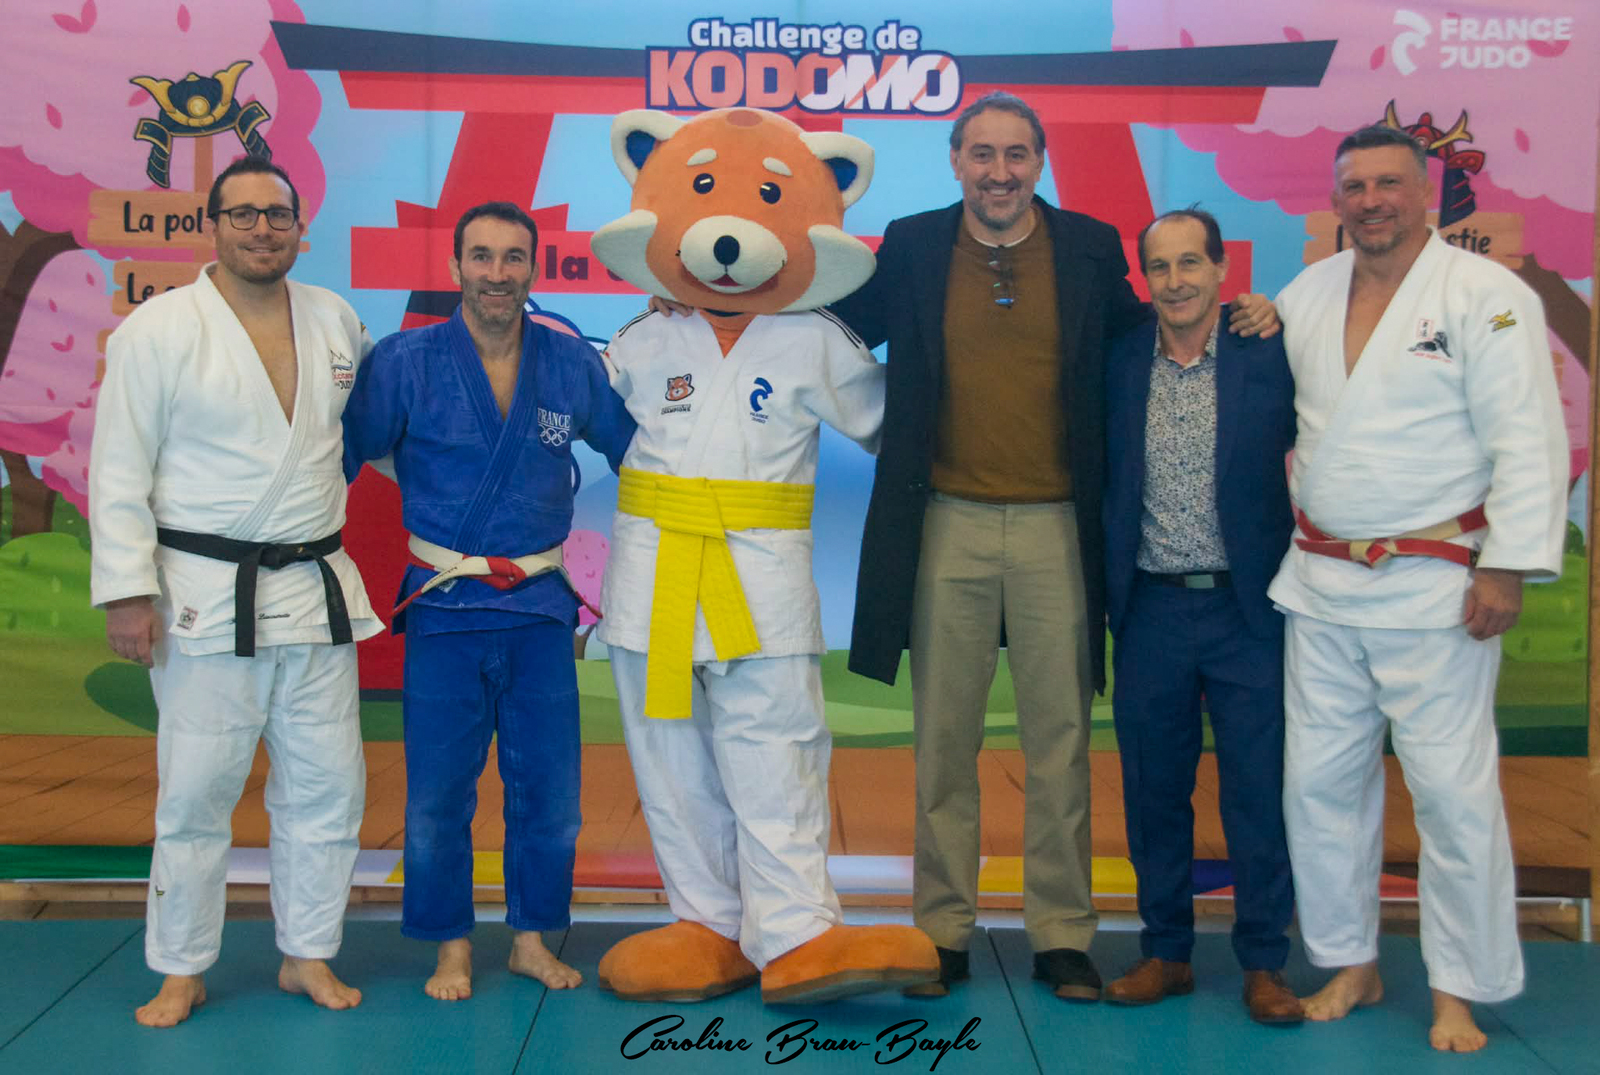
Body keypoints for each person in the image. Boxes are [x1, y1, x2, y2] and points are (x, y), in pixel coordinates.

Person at [835, 91, 1276, 1000]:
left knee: (1061, 743)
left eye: (1017, 155)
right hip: (945, 522)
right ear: (956, 160)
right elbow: (832, 325)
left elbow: (1157, 327)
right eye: (982, 154)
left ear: (1039, 162)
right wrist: (709, 299)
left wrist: (1251, 312)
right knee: (943, 743)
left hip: (1057, 528)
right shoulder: (912, 245)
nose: (1000, 172)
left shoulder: (1086, 246)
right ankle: (941, 931)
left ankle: (1062, 934)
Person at [1270, 125, 1567, 1052]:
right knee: (1318, 785)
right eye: (1355, 186)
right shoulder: (1306, 294)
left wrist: (1508, 563)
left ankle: (1458, 987)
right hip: (1321, 580)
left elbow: (1527, 434)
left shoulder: (1487, 294)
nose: (1372, 201)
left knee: (1451, 793)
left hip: (1438, 583)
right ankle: (1349, 958)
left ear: (1424, 193)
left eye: (1389, 183)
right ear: (1337, 200)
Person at [89, 157, 383, 1027]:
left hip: (315, 594)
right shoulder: (158, 330)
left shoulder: (335, 318)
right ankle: (180, 967)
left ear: (299, 227)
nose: (262, 229)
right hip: (204, 596)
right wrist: (126, 592)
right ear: (212, 225)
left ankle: (308, 951)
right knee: (194, 794)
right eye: (244, 213)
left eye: (277, 215)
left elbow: (384, 418)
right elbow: (117, 469)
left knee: (329, 787)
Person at [342, 202, 635, 1000]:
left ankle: (531, 938)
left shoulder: (569, 362)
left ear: (534, 267)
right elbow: (338, 453)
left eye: (513, 257)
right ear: (455, 268)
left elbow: (636, 449)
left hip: (539, 608)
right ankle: (451, 946)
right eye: (481, 256)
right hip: (445, 608)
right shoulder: (404, 361)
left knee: (552, 794)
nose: (497, 273)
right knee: (439, 795)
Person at [1100, 208, 1300, 1023]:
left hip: (1246, 609)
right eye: (1161, 266)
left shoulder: (1270, 351)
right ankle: (1166, 952)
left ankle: (1265, 961)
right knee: (1154, 790)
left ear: (1221, 269)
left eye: (1191, 263)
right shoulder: (1118, 361)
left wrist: (1275, 312)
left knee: (1257, 788)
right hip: (1150, 608)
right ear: (1144, 277)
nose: (1176, 280)